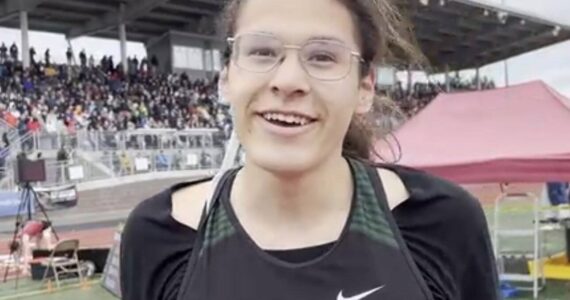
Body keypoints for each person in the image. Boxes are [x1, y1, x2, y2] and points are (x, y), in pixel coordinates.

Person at [120, 0, 498, 299]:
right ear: (226, 78)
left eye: (322, 56)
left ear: (365, 87)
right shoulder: (159, 235)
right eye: (262, 51)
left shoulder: (444, 222)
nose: (288, 81)